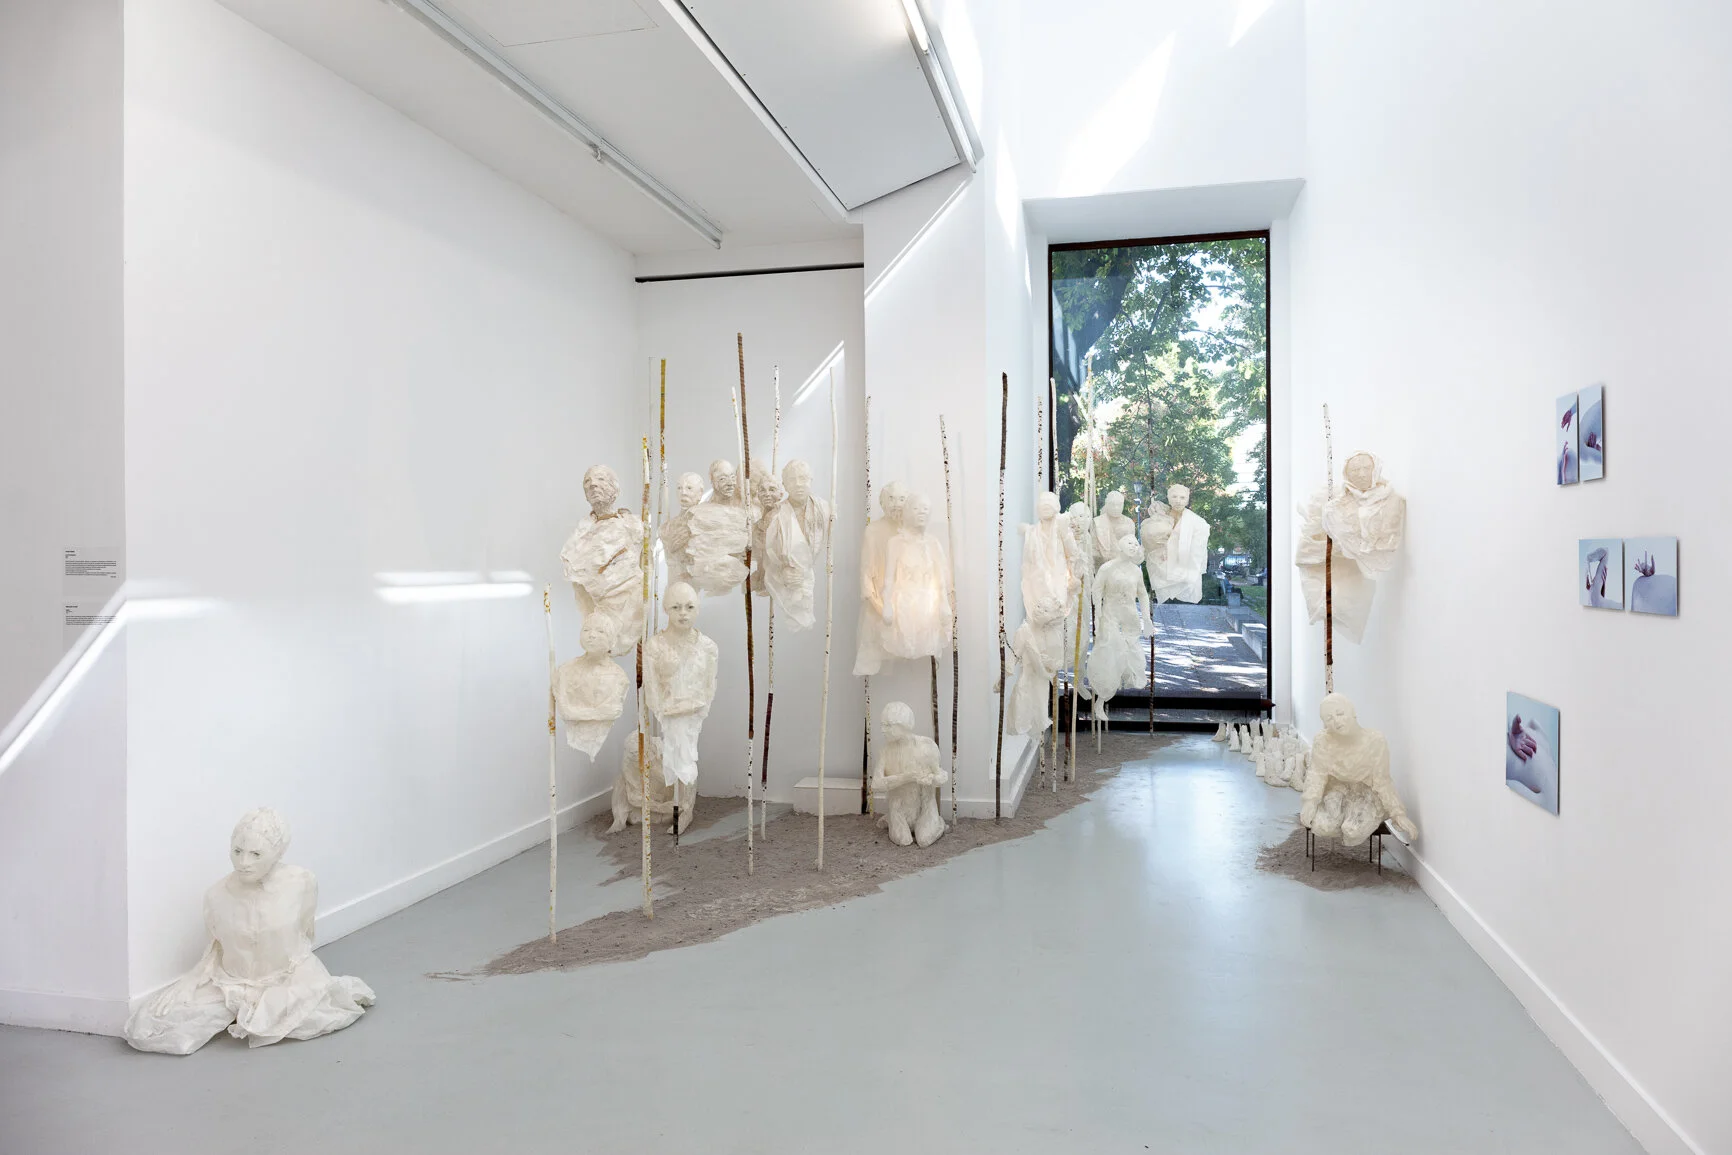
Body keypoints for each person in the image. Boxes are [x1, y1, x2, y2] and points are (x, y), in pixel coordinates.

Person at [123, 809, 374, 1055]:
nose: (243, 863)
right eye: (237, 851)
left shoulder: (302, 883)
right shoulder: (216, 895)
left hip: (288, 979)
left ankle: (272, 1001)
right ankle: (241, 1005)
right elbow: (216, 947)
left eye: (256, 854)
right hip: (230, 983)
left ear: (278, 852)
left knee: (315, 1011)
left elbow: (305, 933)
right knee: (149, 1025)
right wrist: (191, 980)